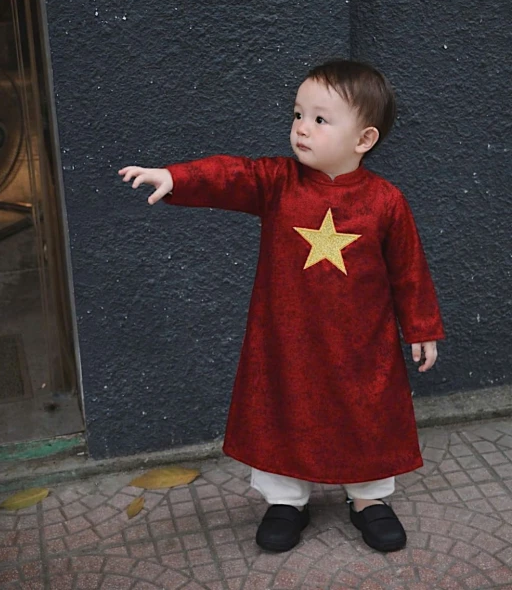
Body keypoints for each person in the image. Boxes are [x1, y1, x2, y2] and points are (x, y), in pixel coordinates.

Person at [119, 59, 445, 554]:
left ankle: (369, 497)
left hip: (363, 345)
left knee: (368, 411)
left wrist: (421, 327)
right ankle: (286, 500)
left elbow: (409, 269)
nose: (301, 127)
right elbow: (230, 174)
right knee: (280, 407)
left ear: (364, 139)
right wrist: (175, 177)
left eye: (320, 119)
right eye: (298, 114)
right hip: (285, 340)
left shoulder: (385, 201)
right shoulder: (277, 182)